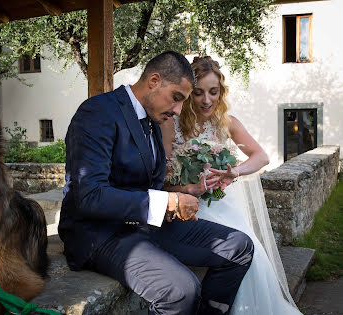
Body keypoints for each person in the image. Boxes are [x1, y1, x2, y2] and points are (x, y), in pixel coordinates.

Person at [59, 51, 254, 314]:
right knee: (180, 290)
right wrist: (168, 202)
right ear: (153, 80)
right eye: (176, 98)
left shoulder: (153, 120)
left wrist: (184, 191)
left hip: (147, 225)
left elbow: (145, 184)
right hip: (102, 234)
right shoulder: (97, 112)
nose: (177, 111)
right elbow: (89, 195)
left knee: (238, 246)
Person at [161, 56, 303, 315]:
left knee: (251, 252)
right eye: (199, 93)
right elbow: (163, 176)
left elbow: (261, 156)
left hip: (221, 204)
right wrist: (189, 182)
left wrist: (234, 171)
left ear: (221, 92)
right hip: (188, 203)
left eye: (213, 92)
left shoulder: (226, 123)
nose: (207, 100)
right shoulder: (172, 124)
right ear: (188, 93)